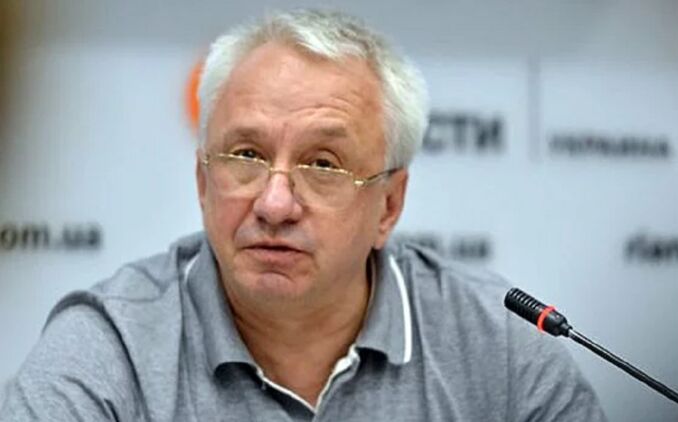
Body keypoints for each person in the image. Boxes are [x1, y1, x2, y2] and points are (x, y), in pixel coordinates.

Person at [1, 9, 606, 421]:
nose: (274, 203)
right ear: (202, 182)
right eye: (246, 155)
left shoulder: (499, 350)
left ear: (389, 206)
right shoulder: (111, 350)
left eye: (323, 164)